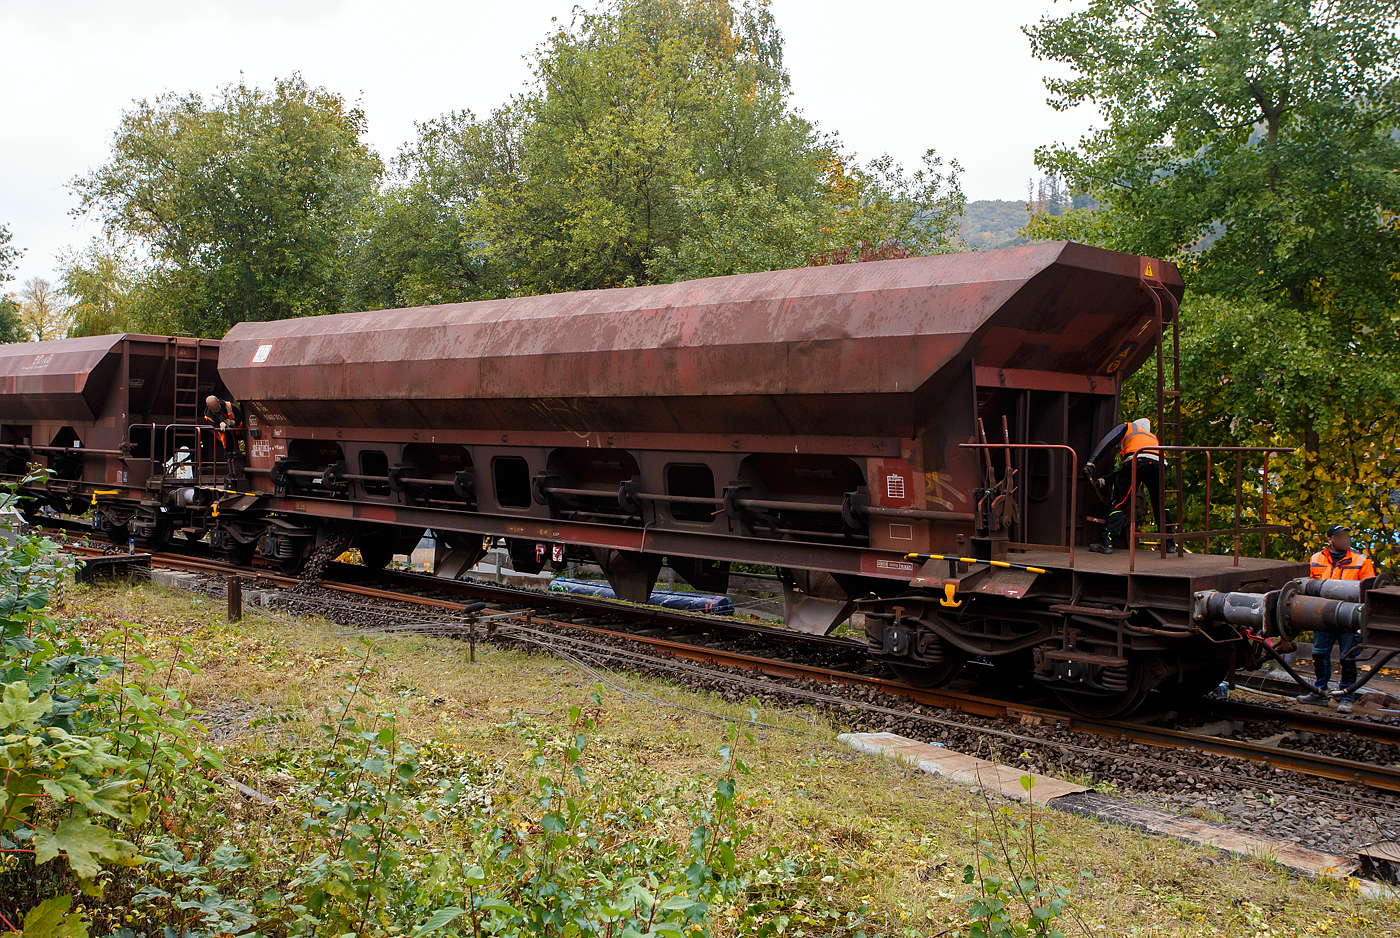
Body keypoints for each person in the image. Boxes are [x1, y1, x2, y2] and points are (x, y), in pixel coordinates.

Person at [1296, 524, 1376, 713]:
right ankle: (1319, 693)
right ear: (1331, 539)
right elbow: (1310, 587)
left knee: (1347, 657)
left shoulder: (1361, 561)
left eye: (1346, 536)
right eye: (1340, 536)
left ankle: (1346, 696)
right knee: (1319, 653)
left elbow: (1370, 592)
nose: (1345, 539)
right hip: (1323, 614)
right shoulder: (1316, 559)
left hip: (1349, 616)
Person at [1084, 417, 1169, 555]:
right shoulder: (1151, 437)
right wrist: (1103, 481)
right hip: (1158, 465)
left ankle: (1107, 543)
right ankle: (1169, 543)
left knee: (1119, 503)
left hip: (1136, 461)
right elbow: (1128, 472)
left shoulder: (1127, 427)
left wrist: (1091, 463)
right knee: (1160, 503)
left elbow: (1107, 442)